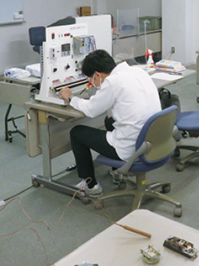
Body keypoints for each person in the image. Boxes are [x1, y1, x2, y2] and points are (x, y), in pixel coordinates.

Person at [59, 49, 161, 196]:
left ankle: (91, 185)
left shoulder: (112, 82)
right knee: (109, 120)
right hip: (152, 141)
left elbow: (90, 110)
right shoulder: (137, 71)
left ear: (98, 74)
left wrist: (70, 97)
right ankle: (117, 172)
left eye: (90, 79)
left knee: (77, 133)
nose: (91, 84)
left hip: (131, 147)